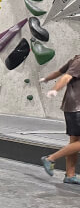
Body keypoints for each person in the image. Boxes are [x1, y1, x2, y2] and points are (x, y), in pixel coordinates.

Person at [40, 54, 80, 184]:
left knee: (74, 142)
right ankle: (50, 158)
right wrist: (55, 89)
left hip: (73, 108)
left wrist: (47, 78)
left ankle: (70, 175)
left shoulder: (75, 59)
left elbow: (59, 71)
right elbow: (66, 77)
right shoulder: (79, 61)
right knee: (77, 142)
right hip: (76, 108)